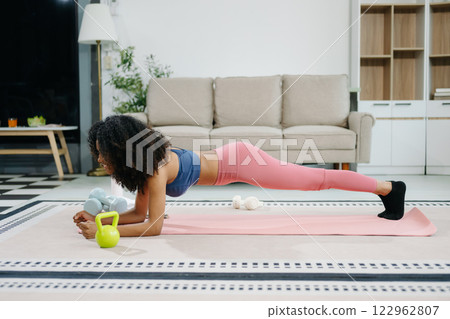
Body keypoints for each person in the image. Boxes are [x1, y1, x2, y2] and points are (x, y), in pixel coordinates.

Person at [73, 115, 406, 239]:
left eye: (104, 153)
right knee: (315, 179)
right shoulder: (146, 171)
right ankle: (387, 189)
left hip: (241, 161)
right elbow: (138, 215)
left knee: (316, 179)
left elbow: (155, 227)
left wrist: (104, 228)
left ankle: (389, 188)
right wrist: (101, 220)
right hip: (231, 163)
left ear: (123, 151)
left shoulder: (156, 170)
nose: (100, 159)